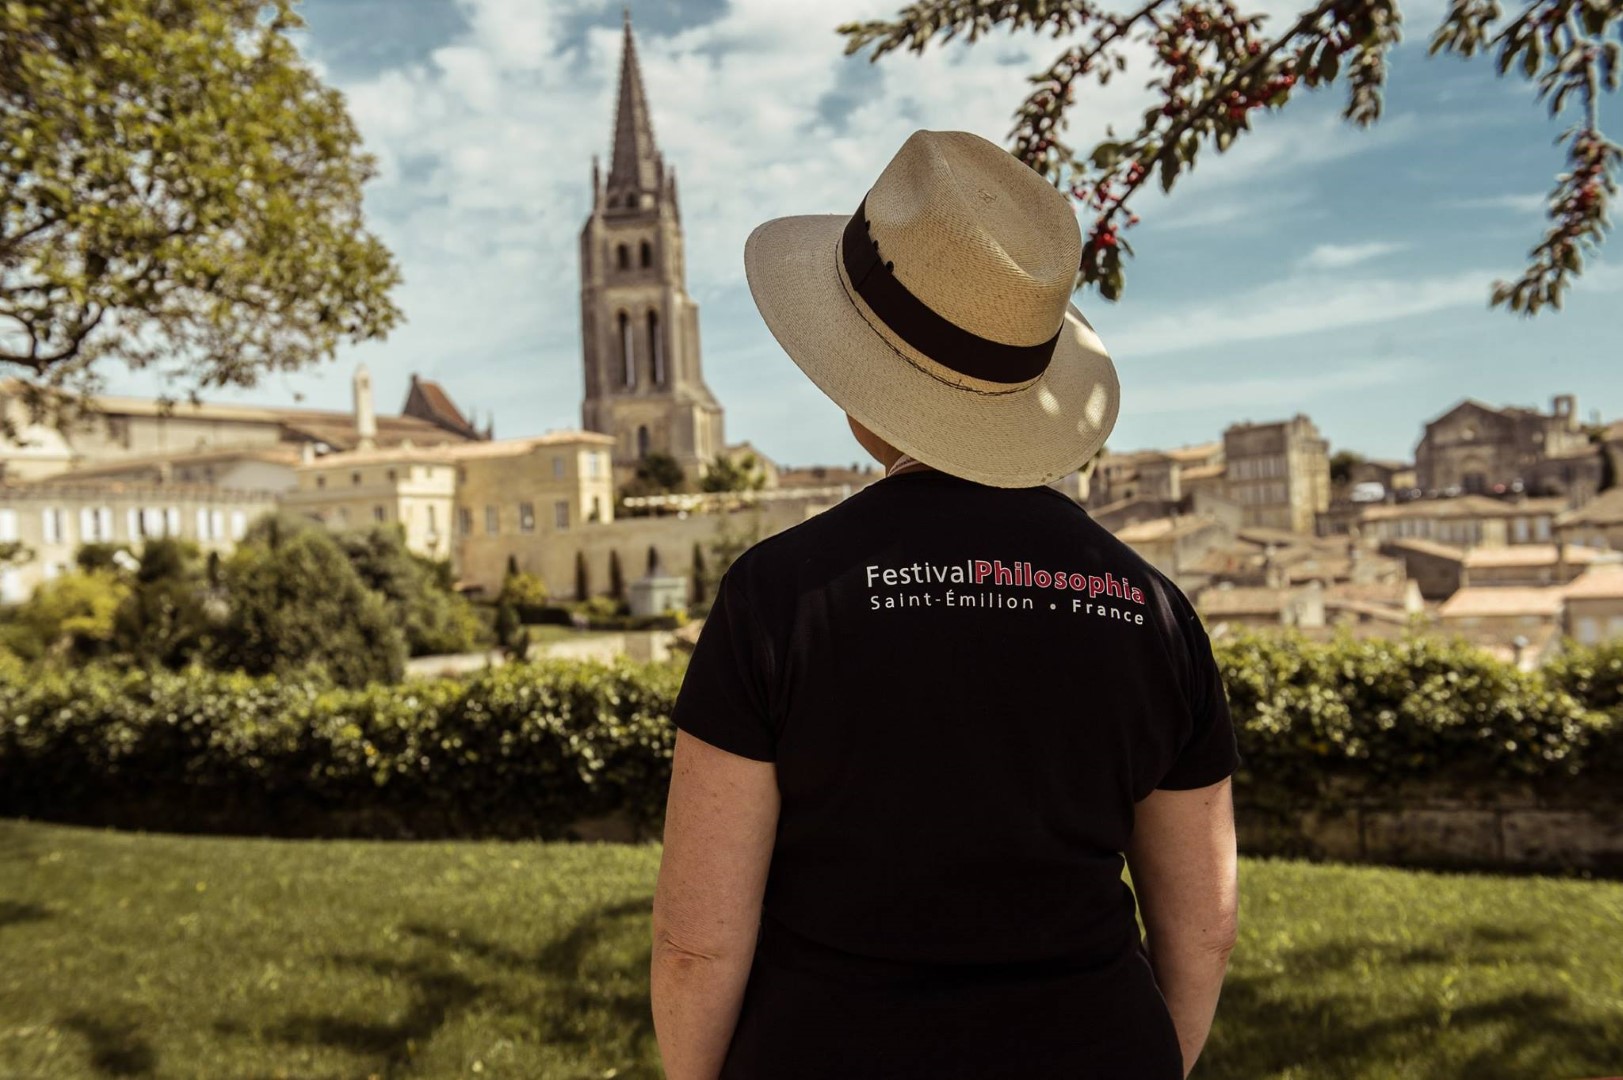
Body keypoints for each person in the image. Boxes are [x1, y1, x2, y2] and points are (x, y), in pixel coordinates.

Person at [650, 129, 1241, 1079]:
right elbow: (1204, 927)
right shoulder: (1153, 609)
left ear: (861, 381)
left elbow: (695, 944)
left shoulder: (777, 596)